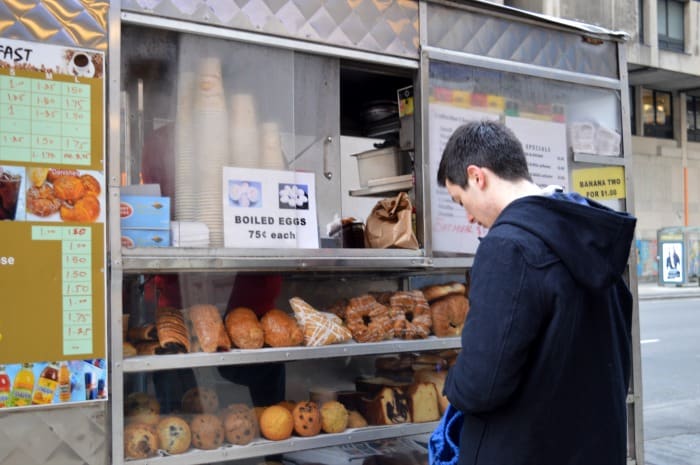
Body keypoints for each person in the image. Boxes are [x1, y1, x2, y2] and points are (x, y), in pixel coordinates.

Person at [436, 120, 636, 465]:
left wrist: (453, 383)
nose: (468, 216)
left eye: (460, 200)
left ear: (477, 176)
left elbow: (483, 383)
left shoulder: (508, 247)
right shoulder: (590, 235)